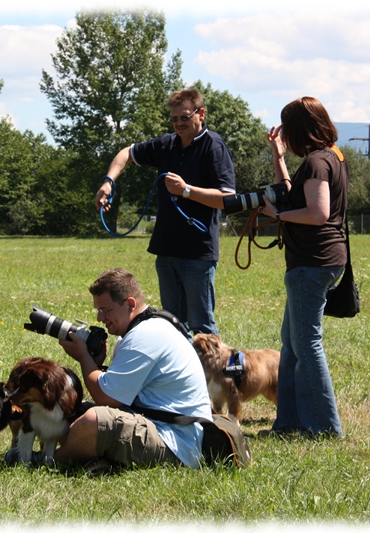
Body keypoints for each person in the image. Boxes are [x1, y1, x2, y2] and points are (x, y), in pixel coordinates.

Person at [95, 87, 236, 336]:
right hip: (167, 250)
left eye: (185, 117)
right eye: (174, 118)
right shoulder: (167, 144)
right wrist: (108, 181)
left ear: (200, 113)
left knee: (202, 326)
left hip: (198, 253)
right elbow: (126, 153)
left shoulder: (213, 146)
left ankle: (212, 375)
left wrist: (187, 191)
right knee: (172, 325)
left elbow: (228, 198)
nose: (179, 123)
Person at [53, 268, 212, 471]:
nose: (100, 318)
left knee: (94, 421)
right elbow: (120, 394)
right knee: (69, 409)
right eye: (98, 311)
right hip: (156, 425)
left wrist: (84, 357)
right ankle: (95, 457)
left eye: (106, 310)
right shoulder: (142, 329)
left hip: (175, 442)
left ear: (130, 304)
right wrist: (98, 364)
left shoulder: (145, 335)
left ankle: (50, 460)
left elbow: (106, 399)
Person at [259, 96, 348, 437]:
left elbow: (317, 212)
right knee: (292, 343)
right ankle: (290, 423)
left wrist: (277, 215)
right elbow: (297, 194)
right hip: (321, 260)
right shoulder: (333, 157)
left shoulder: (316, 161)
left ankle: (324, 427)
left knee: (306, 344)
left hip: (312, 262)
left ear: (299, 130)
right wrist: (278, 158)